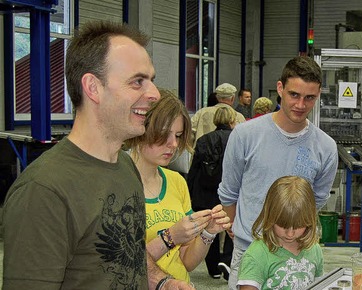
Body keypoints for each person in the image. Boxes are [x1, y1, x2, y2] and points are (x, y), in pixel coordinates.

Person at [2, 21, 190, 289]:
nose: (154, 94)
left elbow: (126, 258)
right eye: (138, 81)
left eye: (152, 81)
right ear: (92, 87)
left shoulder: (125, 167)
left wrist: (161, 282)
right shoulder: (44, 190)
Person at [218, 56, 338, 290]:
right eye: (294, 95)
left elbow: (318, 199)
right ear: (280, 88)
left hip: (299, 256)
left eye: (309, 98)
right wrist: (237, 231)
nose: (301, 105)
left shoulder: (326, 147)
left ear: (319, 94)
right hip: (249, 251)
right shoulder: (245, 135)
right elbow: (229, 192)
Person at [124, 92, 231, 284]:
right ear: (142, 128)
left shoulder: (176, 182)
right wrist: (170, 237)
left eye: (178, 135)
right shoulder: (117, 185)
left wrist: (208, 232)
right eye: (164, 134)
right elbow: (120, 263)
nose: (173, 144)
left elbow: (187, 262)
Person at [237, 176, 323, 290]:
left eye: (298, 226)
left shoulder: (314, 250)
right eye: (283, 225)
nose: (290, 234)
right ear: (270, 217)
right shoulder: (256, 254)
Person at [187, 106, 237, 280]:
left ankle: (213, 268)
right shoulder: (236, 139)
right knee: (233, 226)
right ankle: (229, 261)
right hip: (230, 193)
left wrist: (190, 193)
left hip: (205, 192)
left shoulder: (203, 140)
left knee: (210, 230)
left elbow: (194, 169)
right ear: (232, 120)